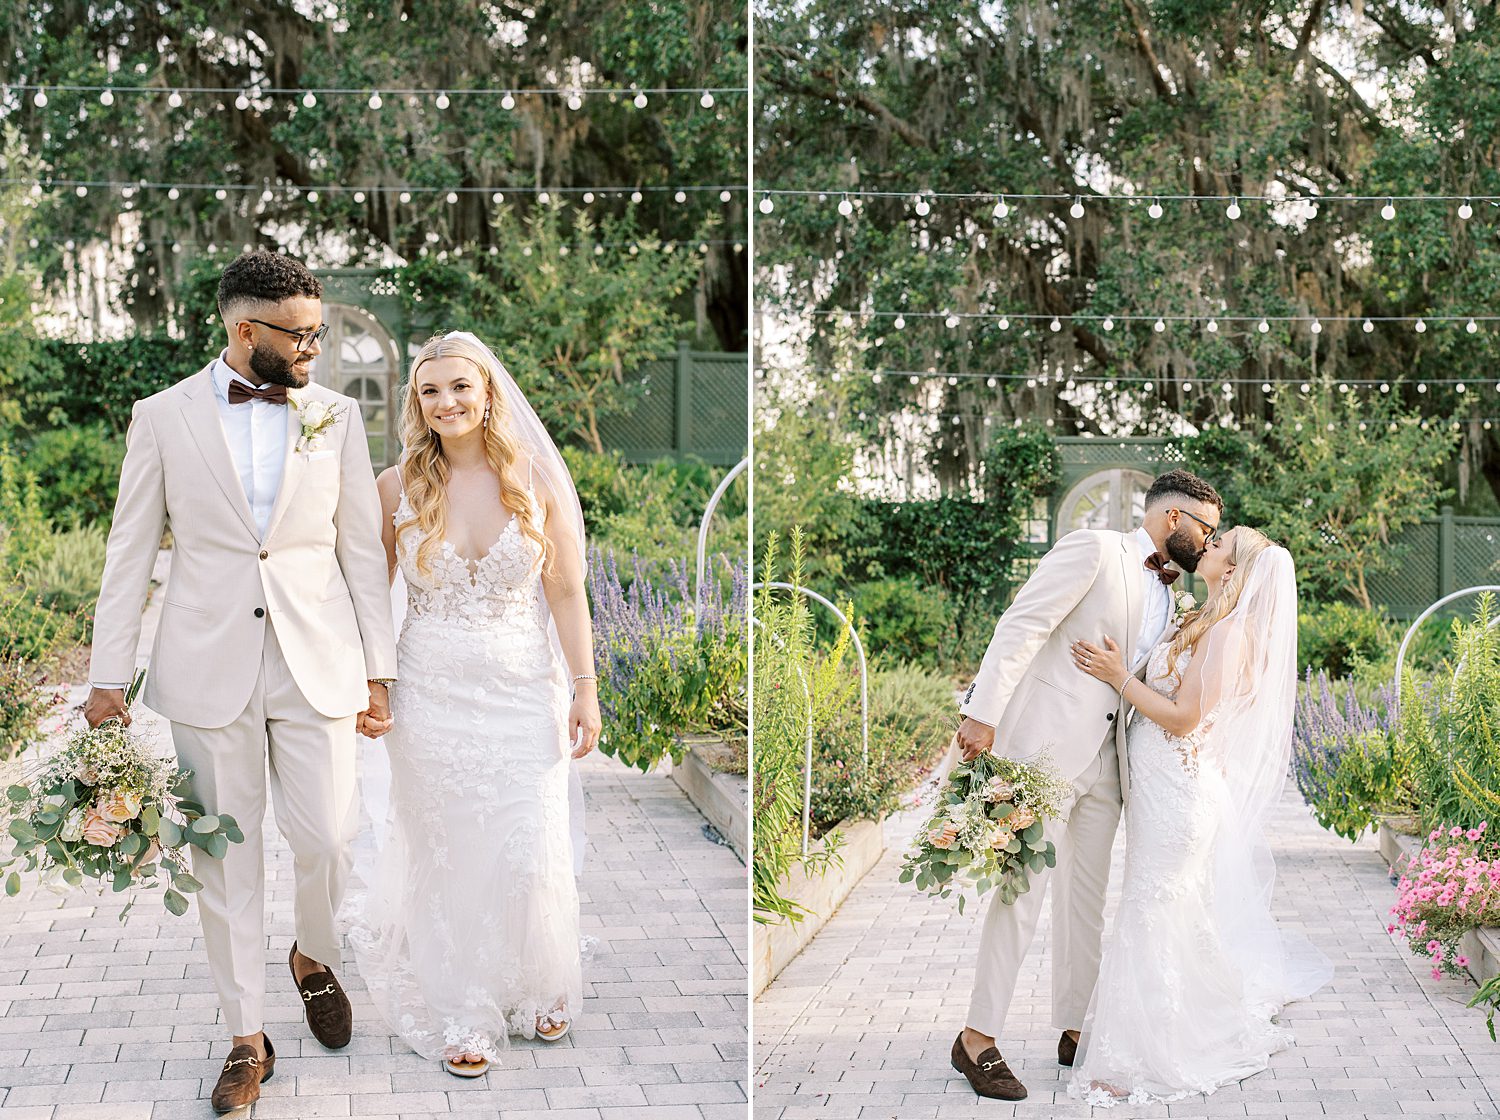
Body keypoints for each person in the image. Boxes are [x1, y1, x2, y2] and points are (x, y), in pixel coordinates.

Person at [85, 252, 397, 1113]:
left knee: (330, 837)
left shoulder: (333, 416)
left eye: (318, 332)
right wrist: (107, 677)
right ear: (242, 330)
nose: (313, 348)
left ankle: (311, 953)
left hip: (318, 659)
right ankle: (245, 1038)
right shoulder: (161, 416)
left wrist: (381, 669)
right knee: (224, 855)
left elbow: (360, 550)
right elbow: (130, 551)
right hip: (206, 662)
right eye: (298, 336)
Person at [349, 331, 601, 1078]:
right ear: (417, 403)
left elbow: (564, 591)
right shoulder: (396, 488)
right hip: (429, 696)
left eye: (460, 386)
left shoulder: (536, 481)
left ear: (488, 392)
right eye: (431, 391)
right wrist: (372, 681)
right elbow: (366, 599)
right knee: (448, 850)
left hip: (526, 691)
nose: (446, 402)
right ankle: (464, 1006)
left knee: (527, 849)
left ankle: (534, 984)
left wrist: (585, 688)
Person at [948, 469, 1223, 1101]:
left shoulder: (1172, 592)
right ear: (1174, 518)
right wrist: (981, 713)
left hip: (1110, 765)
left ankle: (1075, 1029)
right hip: (1045, 752)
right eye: (1205, 528)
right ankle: (977, 1039)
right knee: (1021, 895)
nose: (1207, 543)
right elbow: (1022, 625)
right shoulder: (1095, 550)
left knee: (1086, 903)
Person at [1066, 527, 1330, 1106]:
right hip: (1163, 789)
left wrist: (1119, 678)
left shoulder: (1232, 633)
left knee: (1149, 909)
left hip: (1180, 795)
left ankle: (1147, 1048)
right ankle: (1176, 1021)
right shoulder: (1205, 621)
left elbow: (1185, 718)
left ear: (1233, 572)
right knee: (1166, 910)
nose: (1204, 546)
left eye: (1218, 545)